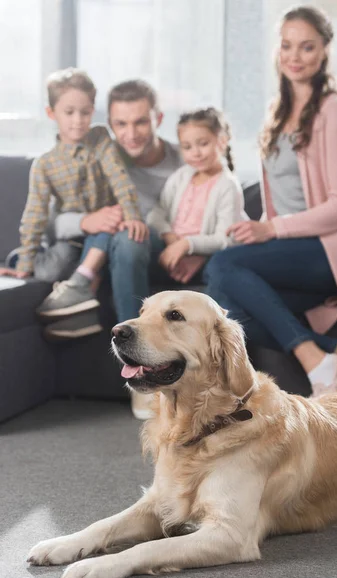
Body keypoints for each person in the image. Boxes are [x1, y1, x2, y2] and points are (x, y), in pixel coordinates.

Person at [204, 5, 337, 397]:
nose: (294, 57)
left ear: (325, 51)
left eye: (306, 47)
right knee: (224, 301)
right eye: (287, 46)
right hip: (294, 250)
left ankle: (322, 361)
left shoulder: (332, 110)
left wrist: (271, 229)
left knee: (223, 265)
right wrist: (257, 231)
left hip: (334, 249)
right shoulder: (277, 110)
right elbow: (282, 198)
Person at [47, 79, 183, 418]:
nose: (130, 133)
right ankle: (141, 371)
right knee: (127, 236)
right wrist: (85, 221)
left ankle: (81, 286)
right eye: (120, 124)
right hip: (123, 252)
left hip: (170, 250)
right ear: (110, 125)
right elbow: (52, 224)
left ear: (158, 119)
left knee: (131, 234)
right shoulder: (99, 157)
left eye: (140, 121)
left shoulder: (184, 158)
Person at [0, 67, 143, 338]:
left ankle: (83, 286)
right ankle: (76, 286)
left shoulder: (101, 139)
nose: (78, 121)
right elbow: (35, 214)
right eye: (69, 112)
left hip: (108, 230)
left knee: (113, 218)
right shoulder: (46, 164)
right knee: (54, 265)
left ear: (92, 111)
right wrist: (25, 263)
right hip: (74, 238)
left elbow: (120, 179)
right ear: (52, 113)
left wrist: (133, 214)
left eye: (85, 112)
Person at [147, 107, 245, 285]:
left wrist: (186, 245)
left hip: (203, 256)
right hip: (170, 249)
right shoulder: (181, 176)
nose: (196, 153)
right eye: (187, 147)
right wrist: (169, 236)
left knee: (218, 269)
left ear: (222, 141)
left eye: (203, 144)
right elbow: (156, 213)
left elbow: (224, 239)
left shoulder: (227, 185)